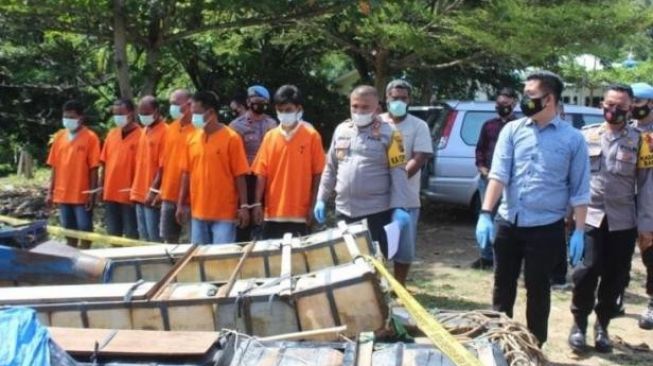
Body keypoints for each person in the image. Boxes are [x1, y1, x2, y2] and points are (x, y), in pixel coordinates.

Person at [475, 71, 590, 347]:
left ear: (549, 99)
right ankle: (498, 346)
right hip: (509, 223)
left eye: (530, 96)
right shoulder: (512, 131)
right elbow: (499, 175)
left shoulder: (573, 139)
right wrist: (485, 214)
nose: (524, 101)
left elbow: (580, 190)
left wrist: (579, 231)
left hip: (546, 228)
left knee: (538, 291)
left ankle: (534, 348)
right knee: (503, 288)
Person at [568, 84, 640, 353]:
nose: (614, 110)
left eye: (621, 106)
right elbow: (573, 179)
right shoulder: (585, 136)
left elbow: (645, 186)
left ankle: (603, 326)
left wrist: (646, 224)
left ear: (630, 107)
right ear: (602, 105)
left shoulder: (641, 141)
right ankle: (579, 325)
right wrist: (570, 218)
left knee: (616, 276)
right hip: (591, 216)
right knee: (586, 272)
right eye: (610, 104)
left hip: (624, 220)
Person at [315, 85, 411, 258]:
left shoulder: (392, 134)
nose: (359, 111)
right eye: (355, 106)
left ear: (377, 108)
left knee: (373, 264)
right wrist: (321, 198)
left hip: (375, 212)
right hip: (344, 211)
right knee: (345, 263)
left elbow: (398, 172)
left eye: (365, 107)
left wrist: (399, 206)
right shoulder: (341, 130)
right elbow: (330, 168)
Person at [251, 85, 325, 239]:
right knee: (272, 261)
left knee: (299, 261)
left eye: (288, 109)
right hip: (272, 214)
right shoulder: (270, 137)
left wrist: (313, 206)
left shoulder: (312, 136)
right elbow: (261, 173)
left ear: (298, 109)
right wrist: (257, 203)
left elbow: (318, 174)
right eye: (280, 109)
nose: (284, 113)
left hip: (300, 214)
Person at [176, 91, 250, 244]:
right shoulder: (192, 138)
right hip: (197, 213)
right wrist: (181, 203)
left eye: (196, 113)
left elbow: (240, 175)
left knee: (221, 261)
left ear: (210, 112)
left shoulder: (231, 138)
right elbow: (186, 173)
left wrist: (243, 206)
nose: (193, 117)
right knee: (199, 260)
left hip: (224, 214)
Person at [379, 80, 433, 285]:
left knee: (404, 247)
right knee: (377, 244)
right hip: (377, 198)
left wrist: (396, 183)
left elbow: (419, 159)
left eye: (404, 98)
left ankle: (399, 286)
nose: (399, 102)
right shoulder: (376, 123)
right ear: (387, 99)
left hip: (406, 199)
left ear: (409, 100)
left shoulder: (419, 126)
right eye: (395, 98)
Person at [473, 87, 518, 269]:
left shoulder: (520, 126)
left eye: (506, 104)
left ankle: (505, 257)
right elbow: (480, 150)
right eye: (499, 104)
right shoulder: (489, 125)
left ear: (514, 104)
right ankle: (485, 257)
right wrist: (484, 170)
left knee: (507, 220)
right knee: (486, 216)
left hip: (511, 182)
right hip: (488, 179)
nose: (502, 107)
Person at [46, 100, 101, 248]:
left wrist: (92, 193)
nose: (68, 120)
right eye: (65, 117)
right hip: (63, 194)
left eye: (71, 117)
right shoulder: (59, 137)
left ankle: (85, 255)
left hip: (81, 193)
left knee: (84, 228)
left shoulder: (90, 137)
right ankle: (71, 256)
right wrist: (50, 192)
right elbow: (54, 166)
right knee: (68, 230)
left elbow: (94, 167)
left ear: (80, 118)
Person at [229, 85, 278, 241]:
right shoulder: (236, 126)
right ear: (248, 101)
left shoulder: (273, 124)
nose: (260, 105)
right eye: (256, 101)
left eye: (263, 102)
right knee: (243, 223)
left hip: (266, 179)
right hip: (245, 179)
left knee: (262, 221)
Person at [152, 89, 194, 243]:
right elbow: (164, 162)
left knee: (193, 242)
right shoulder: (171, 129)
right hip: (169, 194)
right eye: (171, 104)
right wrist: (158, 189)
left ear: (189, 104)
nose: (172, 108)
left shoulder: (199, 130)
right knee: (168, 241)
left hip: (192, 198)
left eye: (176, 104)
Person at [100, 98, 140, 239]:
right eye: (115, 114)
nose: (118, 117)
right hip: (110, 192)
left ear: (131, 113)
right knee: (113, 233)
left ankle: (133, 260)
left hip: (130, 194)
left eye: (121, 114)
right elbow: (104, 162)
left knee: (131, 233)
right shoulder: (111, 134)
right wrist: (101, 186)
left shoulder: (141, 136)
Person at [630, 82, 653, 330]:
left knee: (651, 257)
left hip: (650, 207)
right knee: (618, 257)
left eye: (637, 102)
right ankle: (615, 296)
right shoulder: (628, 132)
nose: (633, 107)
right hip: (624, 207)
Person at [130, 96, 167, 242]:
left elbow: (163, 166)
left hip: (152, 196)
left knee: (154, 238)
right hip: (139, 193)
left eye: (146, 113)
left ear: (156, 111)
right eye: (141, 113)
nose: (143, 116)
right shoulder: (144, 131)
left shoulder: (165, 132)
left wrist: (153, 191)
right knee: (143, 238)